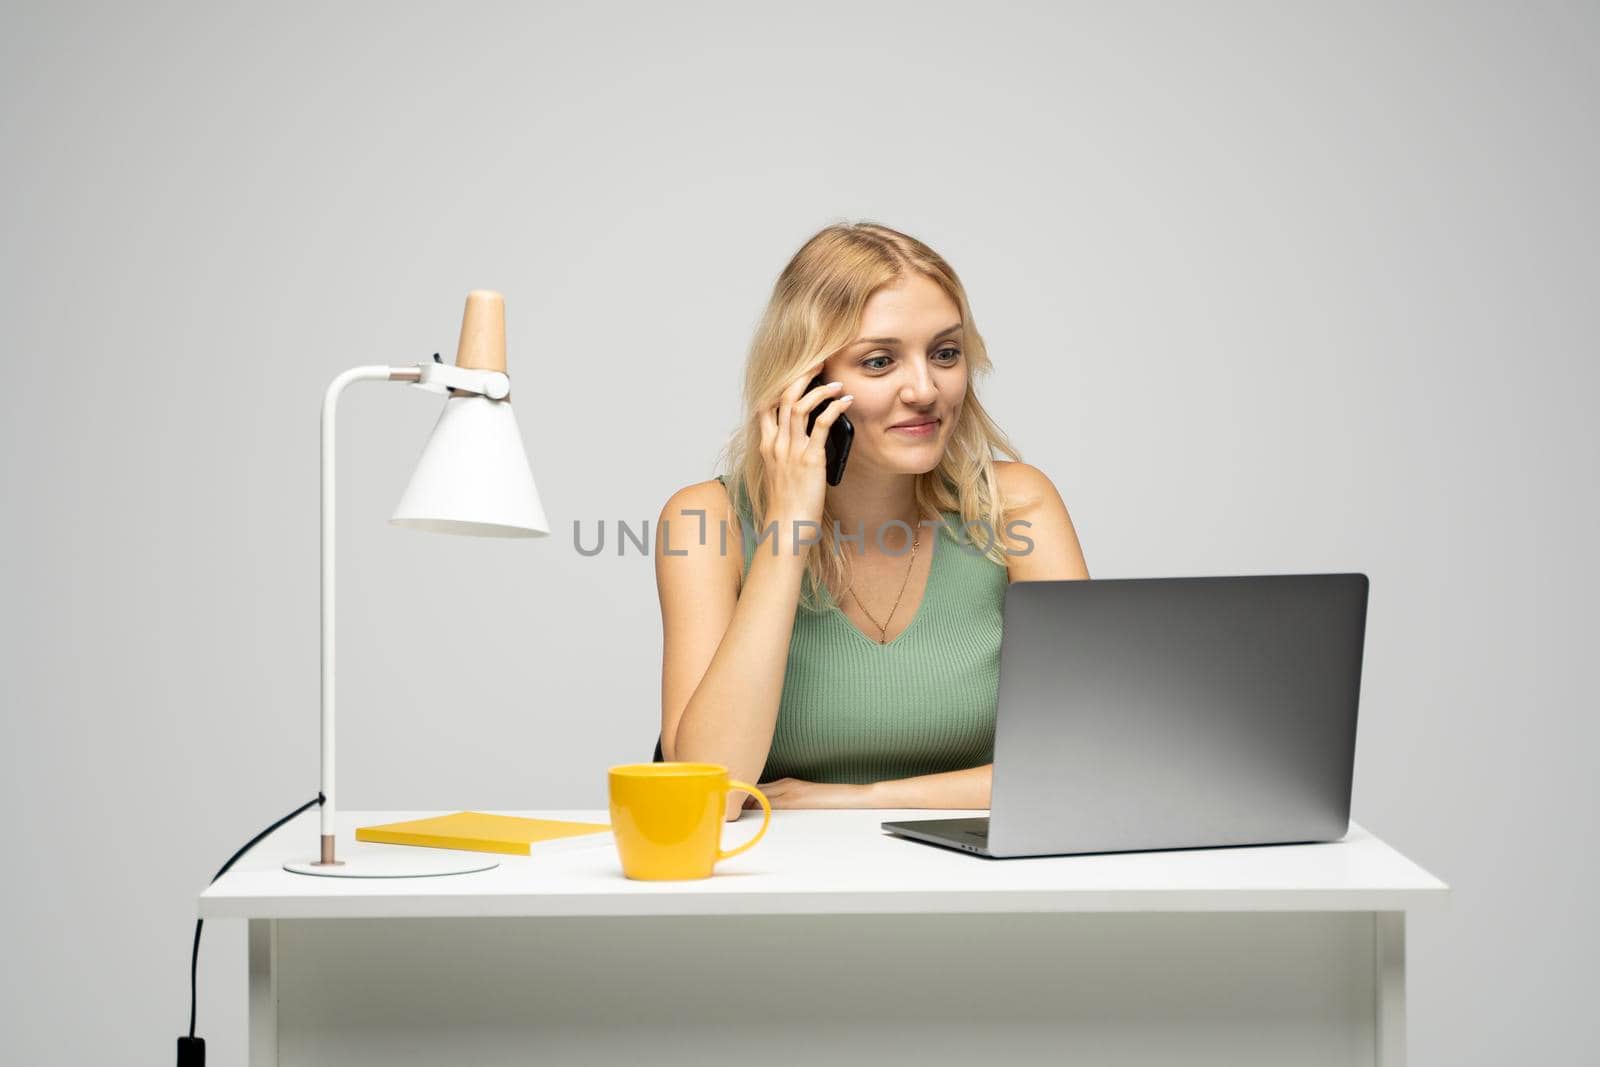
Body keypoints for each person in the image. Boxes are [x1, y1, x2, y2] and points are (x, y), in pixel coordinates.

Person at [654, 222, 1089, 822]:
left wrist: (863, 799)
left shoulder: (1016, 506)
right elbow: (707, 792)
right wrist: (788, 531)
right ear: (806, 382)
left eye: (945, 354)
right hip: (769, 885)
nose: (925, 389)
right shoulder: (703, 520)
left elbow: (1085, 762)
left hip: (972, 882)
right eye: (880, 361)